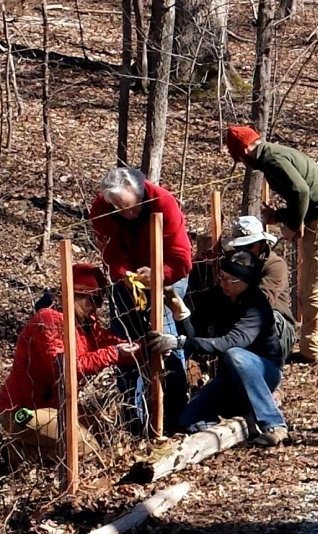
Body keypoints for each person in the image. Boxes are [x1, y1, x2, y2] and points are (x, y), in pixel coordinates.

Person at [223, 125, 318, 363]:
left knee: (314, 289)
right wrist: (280, 216)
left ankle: (311, 351)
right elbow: (303, 193)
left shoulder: (270, 159)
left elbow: (301, 192)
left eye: (240, 157)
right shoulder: (278, 152)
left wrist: (293, 224)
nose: (243, 162)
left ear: (246, 149)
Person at [0, 263, 144, 466]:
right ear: (75, 294)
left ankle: (39, 450)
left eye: (99, 301)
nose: (95, 307)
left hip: (58, 404)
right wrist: (114, 353)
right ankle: (15, 453)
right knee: (85, 446)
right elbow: (66, 368)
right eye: (91, 299)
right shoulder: (48, 321)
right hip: (23, 409)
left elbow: (108, 342)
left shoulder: (84, 323)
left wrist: (143, 348)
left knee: (105, 437)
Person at [89, 166, 193, 431]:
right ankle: (131, 417)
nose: (127, 214)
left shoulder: (163, 203)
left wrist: (159, 274)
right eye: (120, 209)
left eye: (131, 208)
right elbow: (110, 253)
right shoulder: (102, 208)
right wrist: (125, 274)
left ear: (141, 193)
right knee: (124, 339)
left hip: (167, 275)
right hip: (128, 280)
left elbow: (181, 259)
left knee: (163, 336)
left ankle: (175, 414)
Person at [161, 249, 293, 445]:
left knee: (235, 355)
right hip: (229, 377)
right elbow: (195, 334)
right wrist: (181, 314)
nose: (223, 283)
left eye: (230, 280)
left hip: (266, 372)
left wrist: (180, 342)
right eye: (221, 277)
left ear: (246, 281)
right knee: (187, 420)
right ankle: (232, 426)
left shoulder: (257, 305)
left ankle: (274, 425)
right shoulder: (216, 296)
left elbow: (231, 343)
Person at [221, 214, 295, 305]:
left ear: (262, 245)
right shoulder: (232, 261)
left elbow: (262, 300)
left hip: (273, 313)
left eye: (249, 246)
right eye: (238, 246)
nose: (243, 250)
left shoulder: (276, 265)